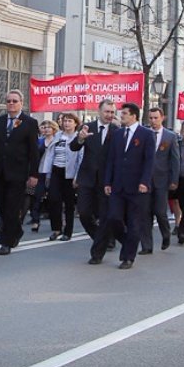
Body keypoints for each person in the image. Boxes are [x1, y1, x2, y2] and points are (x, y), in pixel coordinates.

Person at [0, 89, 40, 256]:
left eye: (14, 101)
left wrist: (34, 174)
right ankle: (17, 230)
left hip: (18, 172)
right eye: (8, 101)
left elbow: (34, 151)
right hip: (0, 171)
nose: (11, 104)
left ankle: (5, 242)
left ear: (21, 103)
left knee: (12, 207)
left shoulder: (29, 123)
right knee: (2, 205)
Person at [102, 102, 155, 269]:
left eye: (124, 113)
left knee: (134, 222)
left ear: (133, 115)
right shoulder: (117, 134)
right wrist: (108, 182)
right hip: (118, 184)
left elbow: (149, 161)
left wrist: (144, 182)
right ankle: (128, 241)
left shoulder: (146, 134)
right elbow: (111, 159)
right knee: (113, 217)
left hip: (137, 186)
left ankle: (128, 257)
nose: (121, 115)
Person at [72, 99, 120, 265]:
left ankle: (97, 253)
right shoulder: (87, 128)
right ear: (99, 111)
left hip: (106, 181)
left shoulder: (117, 130)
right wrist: (80, 138)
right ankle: (103, 237)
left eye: (112, 112)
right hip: (87, 178)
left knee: (105, 216)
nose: (109, 115)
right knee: (84, 213)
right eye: (107, 112)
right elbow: (73, 147)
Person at [140, 107, 180, 254]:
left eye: (156, 118)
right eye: (151, 118)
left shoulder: (170, 136)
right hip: (145, 180)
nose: (153, 121)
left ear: (162, 118)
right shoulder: (144, 133)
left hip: (162, 180)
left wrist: (174, 180)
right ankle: (147, 245)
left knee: (160, 211)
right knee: (145, 213)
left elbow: (175, 160)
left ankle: (166, 234)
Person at [44, 113, 81, 241]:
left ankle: (68, 231)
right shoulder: (58, 135)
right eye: (65, 121)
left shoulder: (78, 137)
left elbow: (80, 159)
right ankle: (56, 228)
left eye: (70, 121)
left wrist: (77, 176)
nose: (66, 123)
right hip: (56, 170)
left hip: (69, 173)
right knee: (53, 199)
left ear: (75, 123)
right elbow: (50, 154)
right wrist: (48, 173)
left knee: (69, 203)